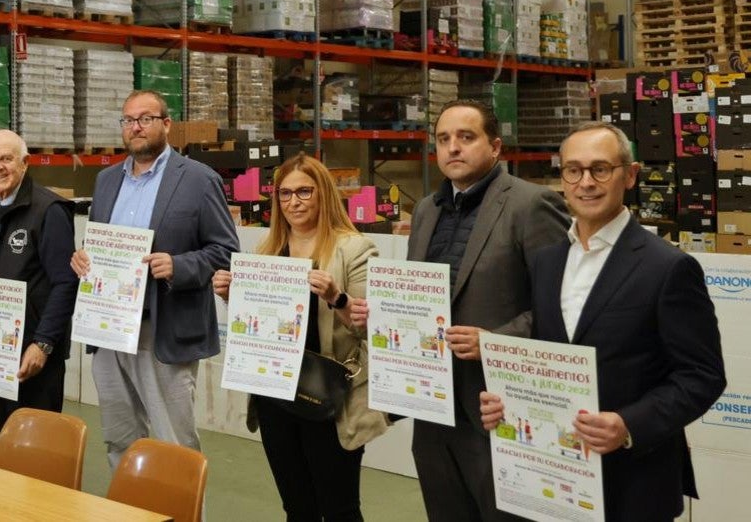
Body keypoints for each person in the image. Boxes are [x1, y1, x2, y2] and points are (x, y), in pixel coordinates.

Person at [480, 122, 725, 522]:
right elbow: (546, 358)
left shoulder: (669, 267)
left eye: (600, 169)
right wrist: (508, 400)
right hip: (556, 477)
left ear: (629, 175)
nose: (586, 182)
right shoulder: (548, 262)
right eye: (573, 170)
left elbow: (703, 376)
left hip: (634, 483)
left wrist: (628, 424)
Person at [405, 99, 569, 522]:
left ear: (495, 147)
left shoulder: (533, 204)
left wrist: (496, 343)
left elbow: (561, 305)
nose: (453, 148)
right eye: (443, 139)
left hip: (500, 403)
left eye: (466, 137)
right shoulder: (426, 210)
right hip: (433, 405)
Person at [70, 90, 239, 471]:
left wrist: (179, 266)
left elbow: (226, 251)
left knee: (173, 447)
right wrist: (84, 257)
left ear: (166, 124)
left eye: (145, 118)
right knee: (120, 440)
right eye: (128, 120)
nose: (136, 127)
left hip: (163, 329)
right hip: (110, 329)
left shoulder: (198, 180)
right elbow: (100, 241)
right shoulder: (107, 180)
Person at [212, 154, 387, 521]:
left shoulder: (353, 249)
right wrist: (232, 296)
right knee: (296, 506)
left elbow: (368, 327)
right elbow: (254, 323)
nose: (294, 202)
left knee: (339, 508)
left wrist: (336, 297)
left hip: (328, 397)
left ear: (322, 193)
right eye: (285, 194)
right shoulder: (268, 250)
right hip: (275, 393)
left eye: (304, 192)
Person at [0, 129, 78, 462]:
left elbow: (65, 283)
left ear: (25, 163)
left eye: (7, 159)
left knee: (34, 451)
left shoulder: (49, 211)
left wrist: (43, 343)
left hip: (33, 354)